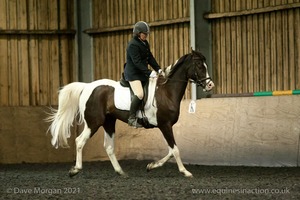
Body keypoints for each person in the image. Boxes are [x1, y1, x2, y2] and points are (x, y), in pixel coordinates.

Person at [124, 21, 163, 128]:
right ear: (138, 33)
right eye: (144, 34)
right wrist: (149, 72)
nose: (146, 35)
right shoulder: (132, 45)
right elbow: (137, 63)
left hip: (142, 73)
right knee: (140, 94)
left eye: (146, 34)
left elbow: (150, 57)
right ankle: (131, 118)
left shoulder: (145, 43)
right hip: (133, 74)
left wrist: (158, 69)